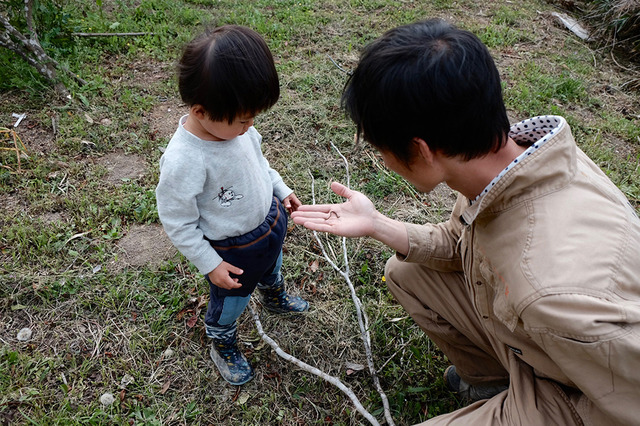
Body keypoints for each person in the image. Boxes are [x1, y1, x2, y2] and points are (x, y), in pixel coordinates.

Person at [291, 19, 640, 425]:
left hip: (580, 397)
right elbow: (461, 243)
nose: (382, 160)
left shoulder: (550, 291)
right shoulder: (514, 162)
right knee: (407, 272)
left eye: (379, 147)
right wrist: (376, 225)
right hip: (544, 346)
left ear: (420, 150)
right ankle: (495, 383)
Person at [156, 25, 309, 386]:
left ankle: (275, 295)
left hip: (269, 224)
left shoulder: (238, 127)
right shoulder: (184, 161)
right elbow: (178, 222)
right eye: (244, 120)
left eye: (253, 117)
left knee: (272, 266)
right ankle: (221, 340)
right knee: (231, 304)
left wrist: (281, 189)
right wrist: (210, 264)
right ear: (200, 110)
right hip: (233, 254)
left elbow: (260, 164)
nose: (250, 126)